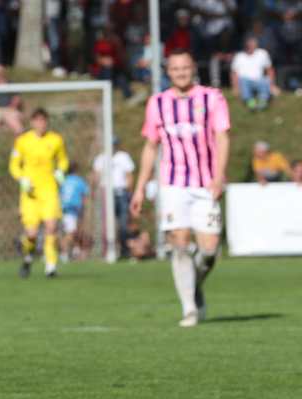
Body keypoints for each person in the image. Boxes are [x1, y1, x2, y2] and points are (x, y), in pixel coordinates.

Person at [131, 49, 231, 328]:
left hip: (206, 183)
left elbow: (222, 137)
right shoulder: (158, 103)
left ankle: (194, 283)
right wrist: (140, 187)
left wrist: (219, 176)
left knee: (209, 249)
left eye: (185, 67)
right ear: (168, 72)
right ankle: (189, 308)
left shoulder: (212, 98)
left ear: (193, 68)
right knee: (179, 242)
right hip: (173, 184)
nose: (180, 72)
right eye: (175, 69)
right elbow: (151, 146)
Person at [9, 107, 69, 278]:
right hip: (30, 194)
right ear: (32, 122)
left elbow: (63, 160)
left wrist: (60, 171)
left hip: (49, 190)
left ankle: (51, 266)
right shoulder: (22, 141)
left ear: (47, 122)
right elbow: (14, 165)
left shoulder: (56, 139)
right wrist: (22, 179)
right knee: (32, 234)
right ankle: (28, 257)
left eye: (43, 121)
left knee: (51, 227)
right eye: (37, 121)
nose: (41, 124)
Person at [92, 139, 136, 258]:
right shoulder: (100, 158)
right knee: (107, 224)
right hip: (106, 194)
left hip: (121, 193)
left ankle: (124, 250)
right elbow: (95, 176)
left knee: (123, 224)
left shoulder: (123, 157)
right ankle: (107, 250)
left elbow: (129, 176)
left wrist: (130, 194)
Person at [231, 35, 280, 111]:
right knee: (243, 81)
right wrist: (235, 87)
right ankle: (251, 103)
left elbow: (269, 70)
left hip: (259, 80)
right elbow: (234, 73)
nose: (251, 45)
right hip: (245, 80)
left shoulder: (262, 53)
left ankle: (262, 102)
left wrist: (272, 85)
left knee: (265, 80)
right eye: (249, 43)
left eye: (252, 43)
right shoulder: (239, 56)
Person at [59, 161, 89, 262]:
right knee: (71, 233)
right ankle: (63, 254)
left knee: (76, 231)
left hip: (63, 209)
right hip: (73, 209)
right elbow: (84, 195)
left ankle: (75, 252)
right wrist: (84, 209)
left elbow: (60, 194)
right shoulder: (79, 181)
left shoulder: (64, 181)